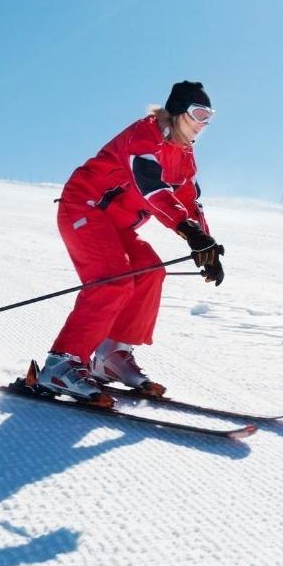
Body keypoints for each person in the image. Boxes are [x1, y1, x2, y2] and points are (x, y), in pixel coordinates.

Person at [32, 80, 223, 404]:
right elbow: (153, 190)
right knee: (112, 279)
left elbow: (190, 201)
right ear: (178, 112)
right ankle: (61, 363)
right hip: (84, 209)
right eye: (199, 113)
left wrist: (206, 245)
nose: (203, 124)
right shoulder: (144, 136)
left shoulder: (185, 156)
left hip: (117, 225)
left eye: (210, 117)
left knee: (150, 271)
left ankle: (112, 356)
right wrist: (190, 234)